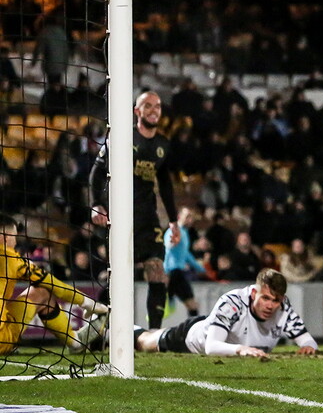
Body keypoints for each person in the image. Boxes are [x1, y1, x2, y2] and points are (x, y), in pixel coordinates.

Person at [90, 91, 180, 329]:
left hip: (147, 216)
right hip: (118, 215)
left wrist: (173, 221)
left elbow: (166, 184)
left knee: (157, 269)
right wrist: (96, 205)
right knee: (118, 277)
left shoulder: (163, 144)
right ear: (137, 111)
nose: (154, 110)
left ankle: (155, 332)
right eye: (148, 105)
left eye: (158, 106)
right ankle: (96, 326)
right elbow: (97, 172)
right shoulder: (120, 137)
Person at [134, 268, 317, 356]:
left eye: (275, 300)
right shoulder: (233, 302)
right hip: (193, 337)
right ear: (254, 293)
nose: (270, 305)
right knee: (145, 342)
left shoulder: (283, 310)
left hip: (216, 329)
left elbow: (308, 341)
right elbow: (211, 347)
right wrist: (241, 350)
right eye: (265, 298)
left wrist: (308, 347)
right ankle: (120, 328)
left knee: (154, 334)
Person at [0, 214, 108, 354]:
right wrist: (89, 303)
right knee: (42, 292)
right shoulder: (10, 259)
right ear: (5, 237)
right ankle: (75, 342)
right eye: (14, 237)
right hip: (2, 340)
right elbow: (54, 285)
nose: (15, 243)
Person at [164, 207, 204, 317]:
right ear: (179, 217)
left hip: (177, 272)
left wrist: (200, 268)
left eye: (191, 217)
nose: (190, 220)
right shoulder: (174, 231)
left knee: (190, 304)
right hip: (173, 272)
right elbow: (167, 247)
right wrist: (165, 271)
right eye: (187, 217)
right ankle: (194, 331)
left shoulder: (185, 233)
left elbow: (185, 254)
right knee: (192, 305)